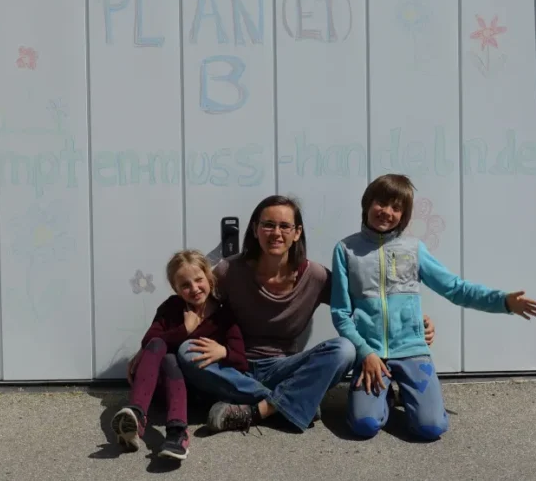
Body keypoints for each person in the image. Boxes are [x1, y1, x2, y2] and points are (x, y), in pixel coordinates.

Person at [177, 195, 437, 434]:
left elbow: (365, 305)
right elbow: (195, 305)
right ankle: (295, 401)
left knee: (344, 350)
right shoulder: (229, 270)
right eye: (268, 225)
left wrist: (411, 322)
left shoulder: (315, 276)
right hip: (235, 363)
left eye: (285, 226)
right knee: (187, 351)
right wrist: (167, 342)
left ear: (297, 233)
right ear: (255, 229)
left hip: (285, 367)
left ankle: (260, 410)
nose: (276, 233)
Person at [330, 174, 536, 440]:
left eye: (396, 207)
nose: (387, 212)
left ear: (404, 215)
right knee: (364, 425)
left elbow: (455, 288)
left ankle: (405, 393)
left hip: (412, 350)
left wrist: (503, 301)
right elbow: (340, 313)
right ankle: (383, 398)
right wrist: (365, 353)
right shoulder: (346, 249)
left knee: (431, 428)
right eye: (381, 203)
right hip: (371, 354)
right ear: (367, 203)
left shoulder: (413, 249)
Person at [111, 249, 248, 461]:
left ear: (209, 277)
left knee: (170, 355)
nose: (194, 288)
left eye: (199, 280)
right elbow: (150, 343)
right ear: (176, 289)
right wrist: (184, 330)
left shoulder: (224, 315)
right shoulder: (172, 307)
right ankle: (138, 414)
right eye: (185, 285)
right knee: (165, 354)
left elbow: (242, 361)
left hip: (201, 391)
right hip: (165, 388)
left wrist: (223, 352)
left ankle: (176, 431)